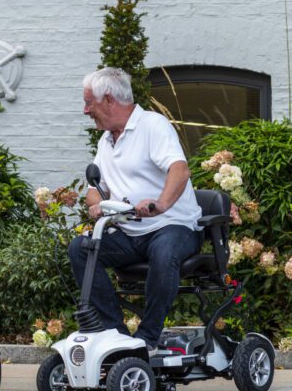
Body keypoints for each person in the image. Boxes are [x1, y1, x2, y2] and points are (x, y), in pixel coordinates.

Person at [69, 67, 202, 351]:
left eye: (88, 102)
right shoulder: (106, 140)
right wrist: (96, 205)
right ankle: (116, 335)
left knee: (164, 251)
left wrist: (161, 204)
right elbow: (95, 189)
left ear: (108, 100)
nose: (85, 110)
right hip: (130, 232)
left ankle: (148, 338)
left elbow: (179, 169)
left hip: (172, 226)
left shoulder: (152, 125)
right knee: (80, 249)